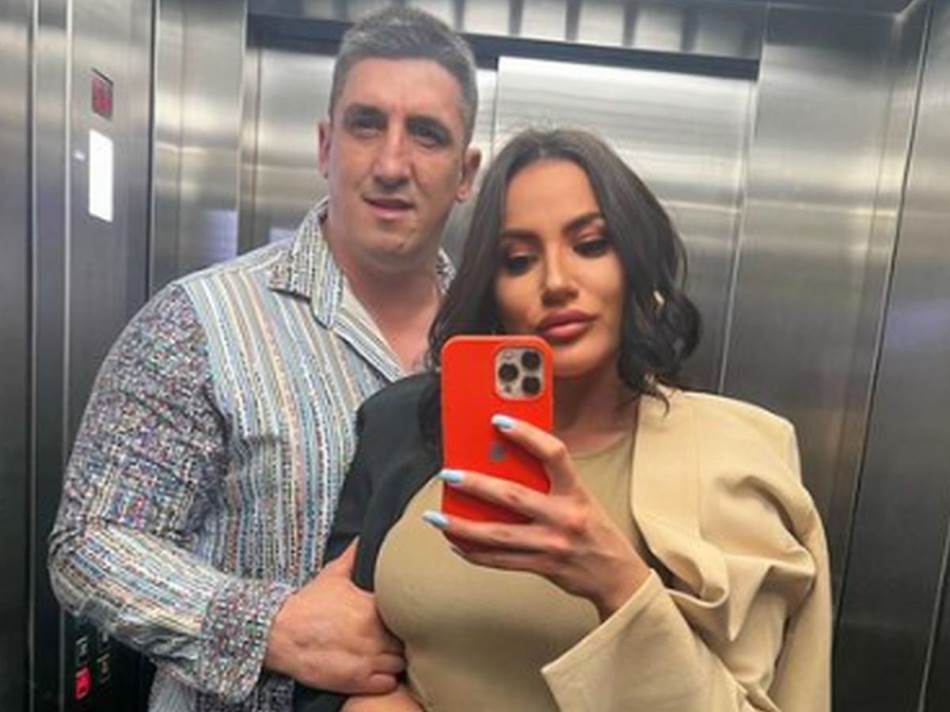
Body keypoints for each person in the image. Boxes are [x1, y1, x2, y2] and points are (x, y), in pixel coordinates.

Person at [297, 128, 832, 712]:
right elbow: (353, 649)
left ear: (635, 262)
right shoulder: (419, 430)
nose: (555, 282)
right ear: (492, 290)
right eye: (518, 260)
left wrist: (614, 581)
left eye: (591, 245)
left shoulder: (730, 460)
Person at [47, 7, 481, 711]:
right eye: (366, 124)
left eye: (427, 134)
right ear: (325, 145)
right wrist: (270, 629)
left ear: (466, 172)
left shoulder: (497, 347)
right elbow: (91, 543)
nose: (392, 164)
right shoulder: (198, 322)